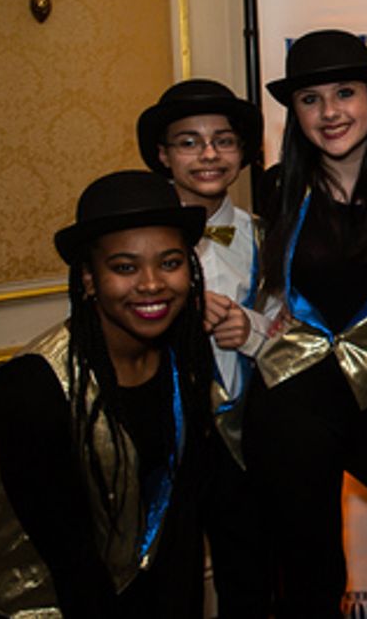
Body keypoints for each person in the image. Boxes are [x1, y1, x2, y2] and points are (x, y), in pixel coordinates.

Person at [244, 29, 367, 618]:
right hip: (298, 398)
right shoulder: (278, 187)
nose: (330, 112)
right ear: (294, 114)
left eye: (344, 92)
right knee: (308, 567)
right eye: (310, 99)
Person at [0, 170, 214, 617]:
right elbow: (69, 558)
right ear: (89, 278)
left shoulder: (184, 355)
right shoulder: (32, 389)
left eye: (170, 263)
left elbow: (183, 520)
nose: (152, 284)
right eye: (125, 268)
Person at [136, 78, 274, 617]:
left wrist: (254, 330)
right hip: (162, 434)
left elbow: (296, 332)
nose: (210, 154)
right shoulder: (137, 241)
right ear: (163, 155)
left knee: (250, 575)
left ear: (243, 154)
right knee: (167, 579)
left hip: (245, 439)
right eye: (189, 142)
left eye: (224, 140)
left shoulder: (268, 234)